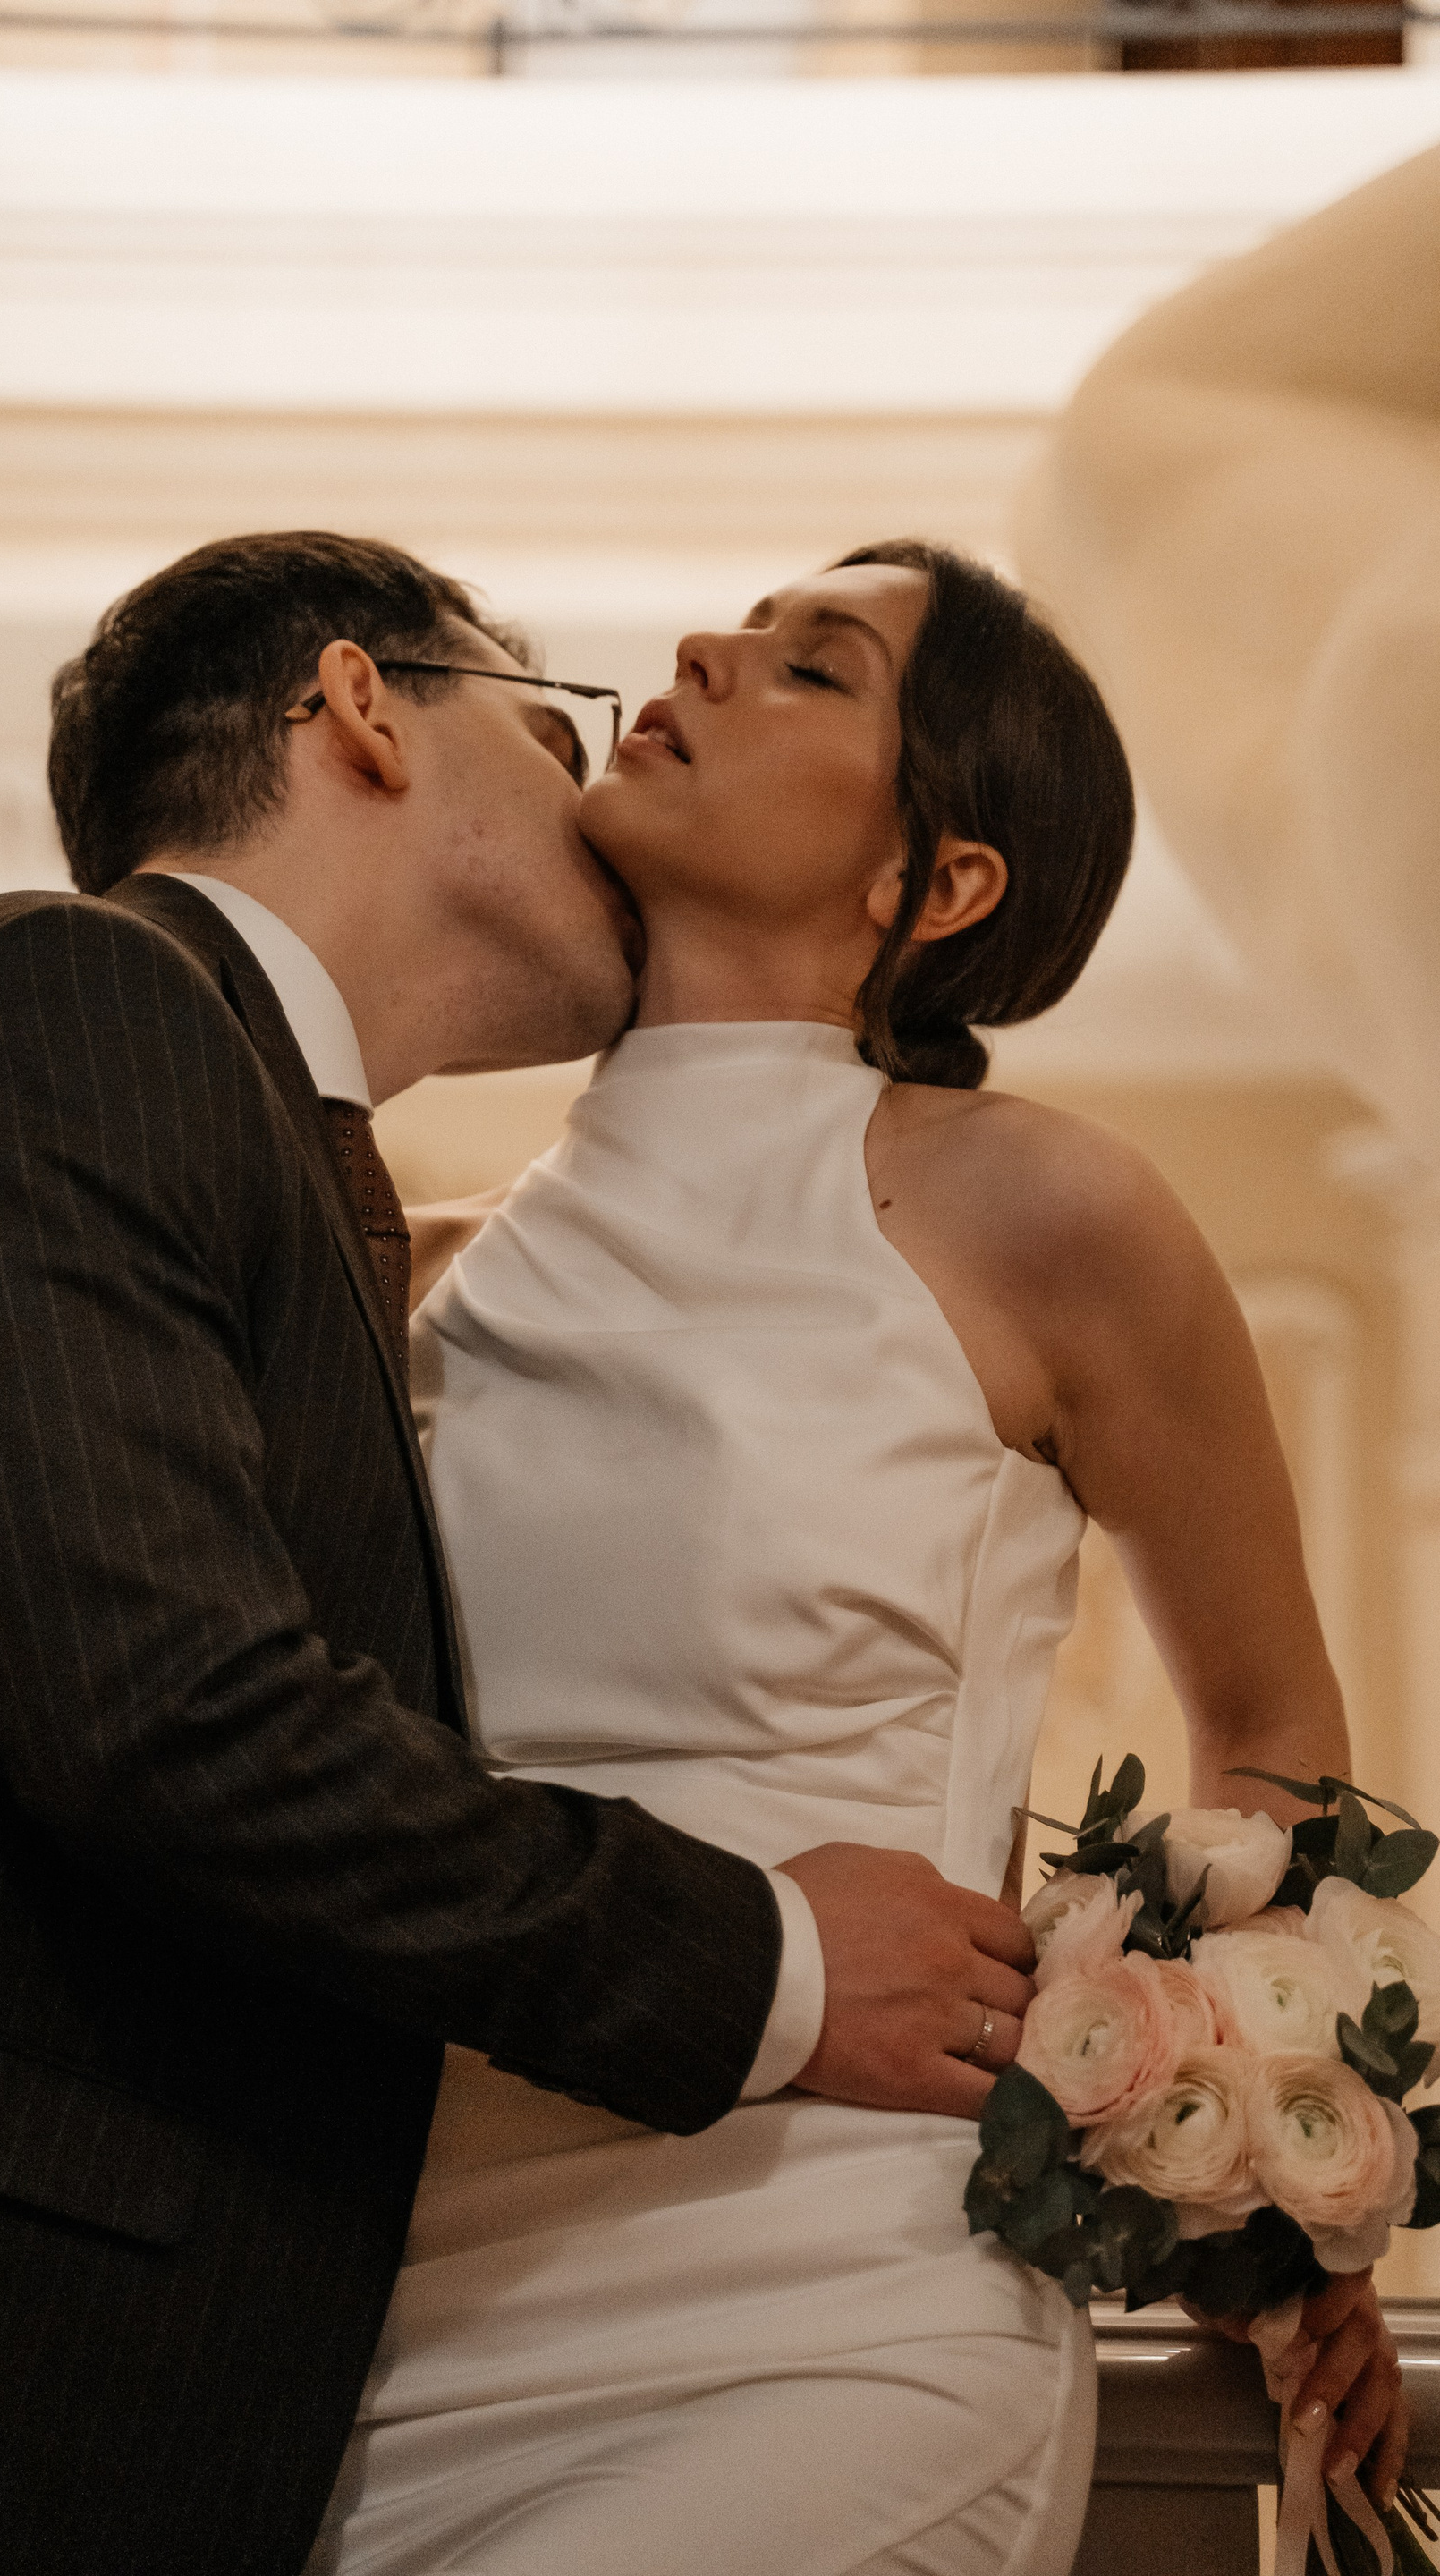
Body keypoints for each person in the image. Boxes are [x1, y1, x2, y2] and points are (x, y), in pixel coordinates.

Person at [0, 531, 1032, 2576]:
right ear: (363, 713)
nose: (607, 793)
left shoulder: (303, 1182)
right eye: (559, 729)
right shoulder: (61, 996)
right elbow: (176, 1719)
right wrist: (770, 1963)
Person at [312, 540, 1408, 2576]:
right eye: (742, 629)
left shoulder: (1047, 1215)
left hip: (830, 2301)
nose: (706, 650)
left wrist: (1227, 2169)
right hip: (391, 2311)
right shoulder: (410, 1276)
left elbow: (1271, 1724)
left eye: (813, 667)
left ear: (941, 880)